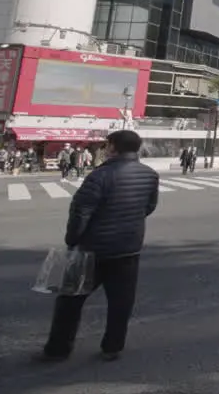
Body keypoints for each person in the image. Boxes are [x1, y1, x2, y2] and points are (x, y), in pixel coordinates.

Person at [41, 130, 159, 361]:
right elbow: (149, 206)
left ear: (112, 147)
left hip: (93, 248)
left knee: (70, 300)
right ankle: (113, 346)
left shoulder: (100, 175)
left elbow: (81, 212)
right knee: (121, 302)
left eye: (107, 145)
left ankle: (59, 348)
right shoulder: (149, 175)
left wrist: (72, 239)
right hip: (128, 247)